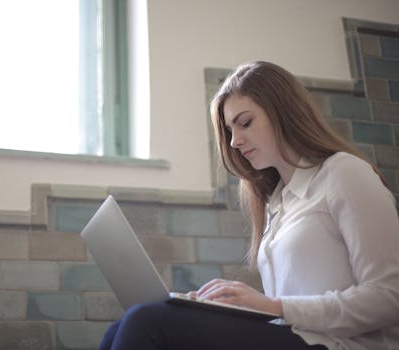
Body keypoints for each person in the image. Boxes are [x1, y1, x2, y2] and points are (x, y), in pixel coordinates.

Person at [98, 61, 399, 350]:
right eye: (230, 130)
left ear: (284, 113)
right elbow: (287, 313)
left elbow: (390, 296)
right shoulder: (277, 204)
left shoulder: (344, 173)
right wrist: (221, 306)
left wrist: (273, 306)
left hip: (341, 345)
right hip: (294, 338)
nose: (234, 142)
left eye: (245, 123)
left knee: (147, 322)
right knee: (124, 325)